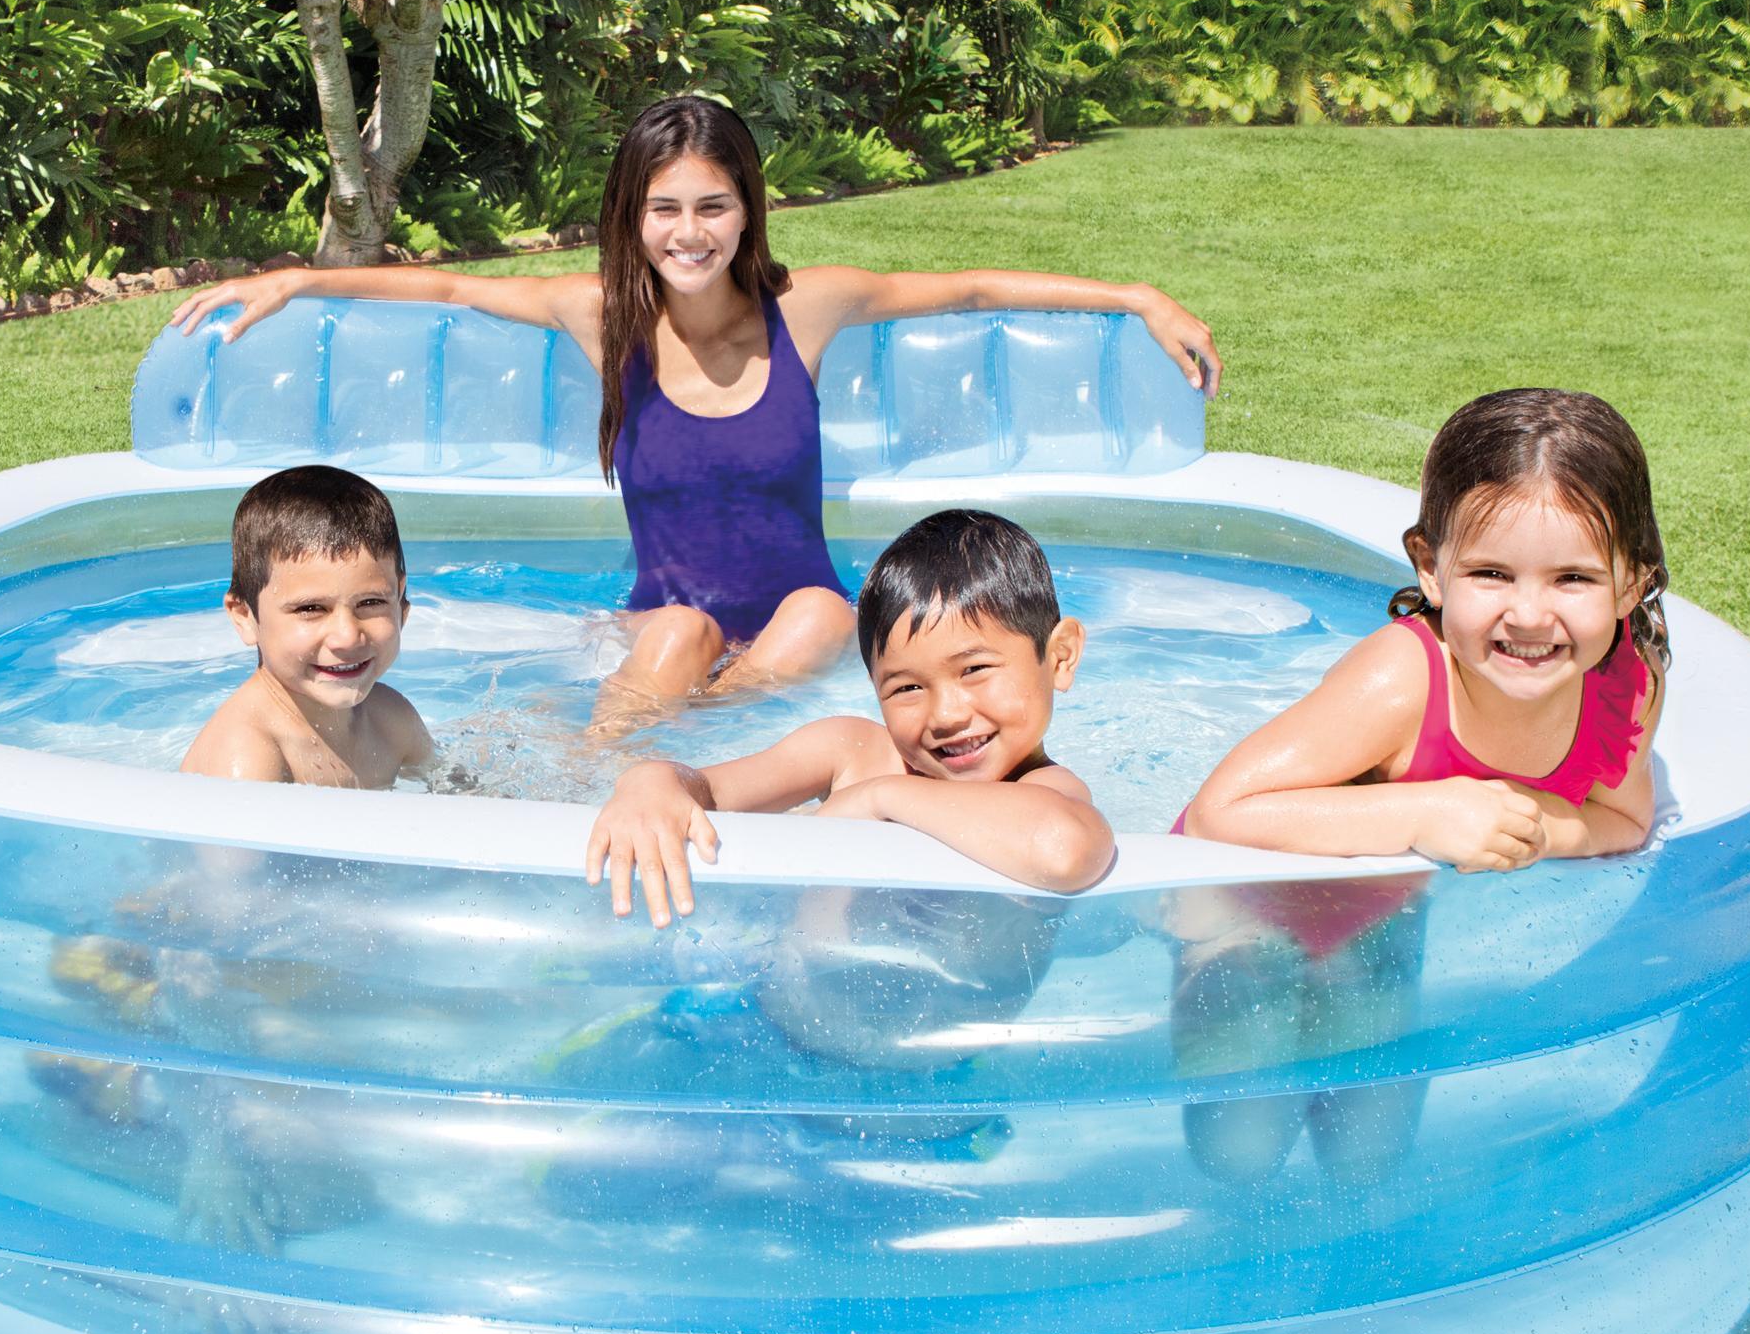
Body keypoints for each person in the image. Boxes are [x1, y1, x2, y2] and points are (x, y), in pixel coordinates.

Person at [164, 95, 1221, 727]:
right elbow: (448, 289)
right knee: (677, 629)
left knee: (822, 608)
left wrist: (1133, 296)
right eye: (664, 208)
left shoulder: (807, 310)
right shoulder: (603, 319)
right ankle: (592, 766)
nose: (689, 230)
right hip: (663, 629)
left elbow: (972, 290)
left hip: (795, 636)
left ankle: (690, 734)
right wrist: (298, 281)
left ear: (748, 208)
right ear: (634, 216)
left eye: (713, 204)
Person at [1174, 388, 1669, 870]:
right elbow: (1215, 817)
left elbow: (1622, 819)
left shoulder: (1627, 683)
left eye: (1573, 578)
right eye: (1491, 574)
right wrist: (1426, 813)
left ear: (1630, 585)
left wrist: (1532, 830)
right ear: (1431, 568)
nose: (1529, 616)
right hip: (1239, 895)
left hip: (1390, 910)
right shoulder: (1403, 679)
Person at [584, 507, 1116, 924]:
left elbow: (1065, 851)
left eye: (975, 669)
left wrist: (878, 798)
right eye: (907, 687)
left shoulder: (1046, 789)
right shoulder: (850, 750)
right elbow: (705, 790)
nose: (947, 714)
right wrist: (649, 783)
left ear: (1060, 656)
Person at [178, 463, 434, 789]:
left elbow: (462, 798)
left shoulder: (392, 718)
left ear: (401, 605)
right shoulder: (249, 760)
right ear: (244, 616)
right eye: (311, 608)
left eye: (370, 603)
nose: (347, 637)